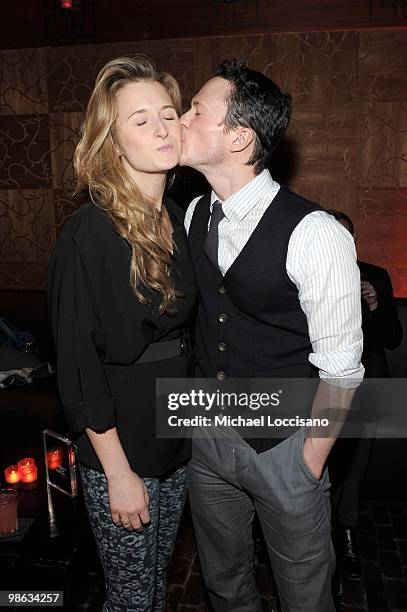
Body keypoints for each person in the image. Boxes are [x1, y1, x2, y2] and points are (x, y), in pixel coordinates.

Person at [180, 59, 364, 612]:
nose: (180, 119)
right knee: (224, 586)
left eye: (195, 110)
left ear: (238, 138)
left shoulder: (317, 234)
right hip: (207, 439)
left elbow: (342, 370)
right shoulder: (192, 213)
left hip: (284, 446)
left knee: (305, 596)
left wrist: (309, 461)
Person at [47, 55, 197, 611]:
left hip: (174, 436)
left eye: (167, 112)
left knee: (154, 587)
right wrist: (117, 472)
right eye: (140, 120)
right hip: (122, 447)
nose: (162, 128)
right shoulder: (87, 235)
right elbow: (79, 367)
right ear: (112, 142)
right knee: (132, 599)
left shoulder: (179, 218)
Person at [326, 209, 402, 580]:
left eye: (345, 237)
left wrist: (374, 305)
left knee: (355, 458)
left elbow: (392, 340)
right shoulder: (311, 274)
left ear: (353, 242)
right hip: (322, 380)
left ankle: (347, 529)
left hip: (369, 379)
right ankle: (314, 528)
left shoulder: (374, 276)